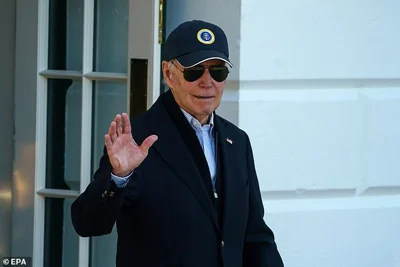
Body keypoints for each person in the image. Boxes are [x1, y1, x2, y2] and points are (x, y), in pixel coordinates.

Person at [71, 19, 284, 267]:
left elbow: (255, 236)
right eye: (194, 71)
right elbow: (87, 224)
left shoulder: (237, 141)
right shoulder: (138, 139)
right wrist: (119, 177)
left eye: (218, 71)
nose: (207, 82)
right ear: (168, 74)